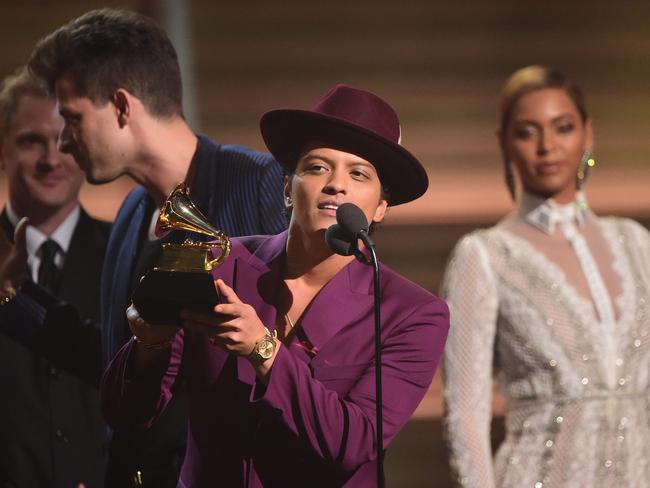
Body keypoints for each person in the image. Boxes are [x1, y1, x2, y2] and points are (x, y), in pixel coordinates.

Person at [101, 84, 449, 487]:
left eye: (358, 174)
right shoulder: (220, 266)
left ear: (381, 206)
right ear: (287, 189)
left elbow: (353, 443)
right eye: (317, 167)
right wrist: (149, 346)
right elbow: (128, 415)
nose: (336, 184)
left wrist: (263, 350)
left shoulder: (413, 313)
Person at [28, 8, 286, 488]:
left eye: (72, 118)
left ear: (123, 107)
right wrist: (14, 294)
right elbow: (114, 360)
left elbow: (295, 354)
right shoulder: (129, 216)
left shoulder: (256, 184)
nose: (63, 141)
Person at [442, 65, 650, 488]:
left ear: (588, 133)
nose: (547, 146)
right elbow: (465, 412)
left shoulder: (636, 243)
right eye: (527, 132)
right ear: (504, 143)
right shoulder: (483, 256)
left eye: (563, 127)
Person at [0, 67, 110, 488]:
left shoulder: (130, 255)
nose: (51, 159)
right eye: (32, 141)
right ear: (3, 148)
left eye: (63, 140)